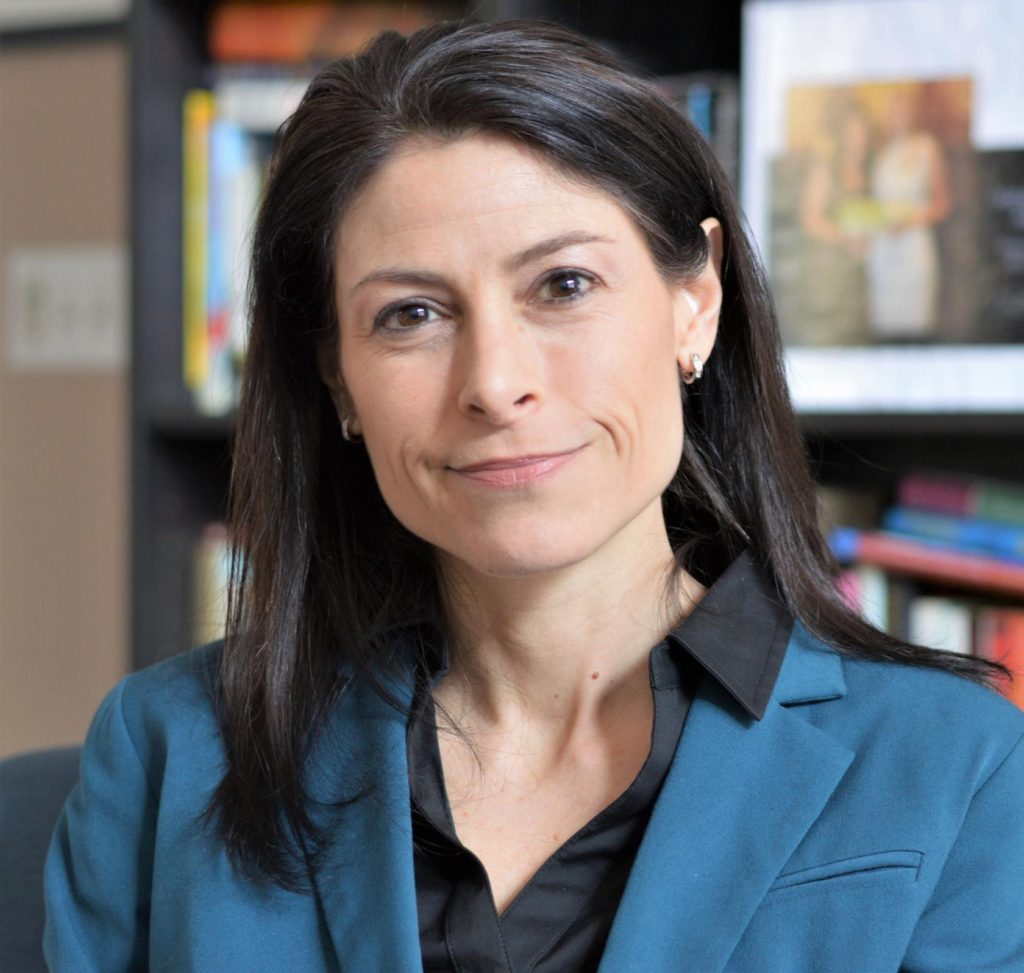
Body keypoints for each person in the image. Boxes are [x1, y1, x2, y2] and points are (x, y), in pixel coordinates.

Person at [44, 19, 1023, 972]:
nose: (495, 382)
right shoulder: (170, 749)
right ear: (338, 377)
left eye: (563, 285)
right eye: (411, 313)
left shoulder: (959, 765)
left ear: (696, 303)